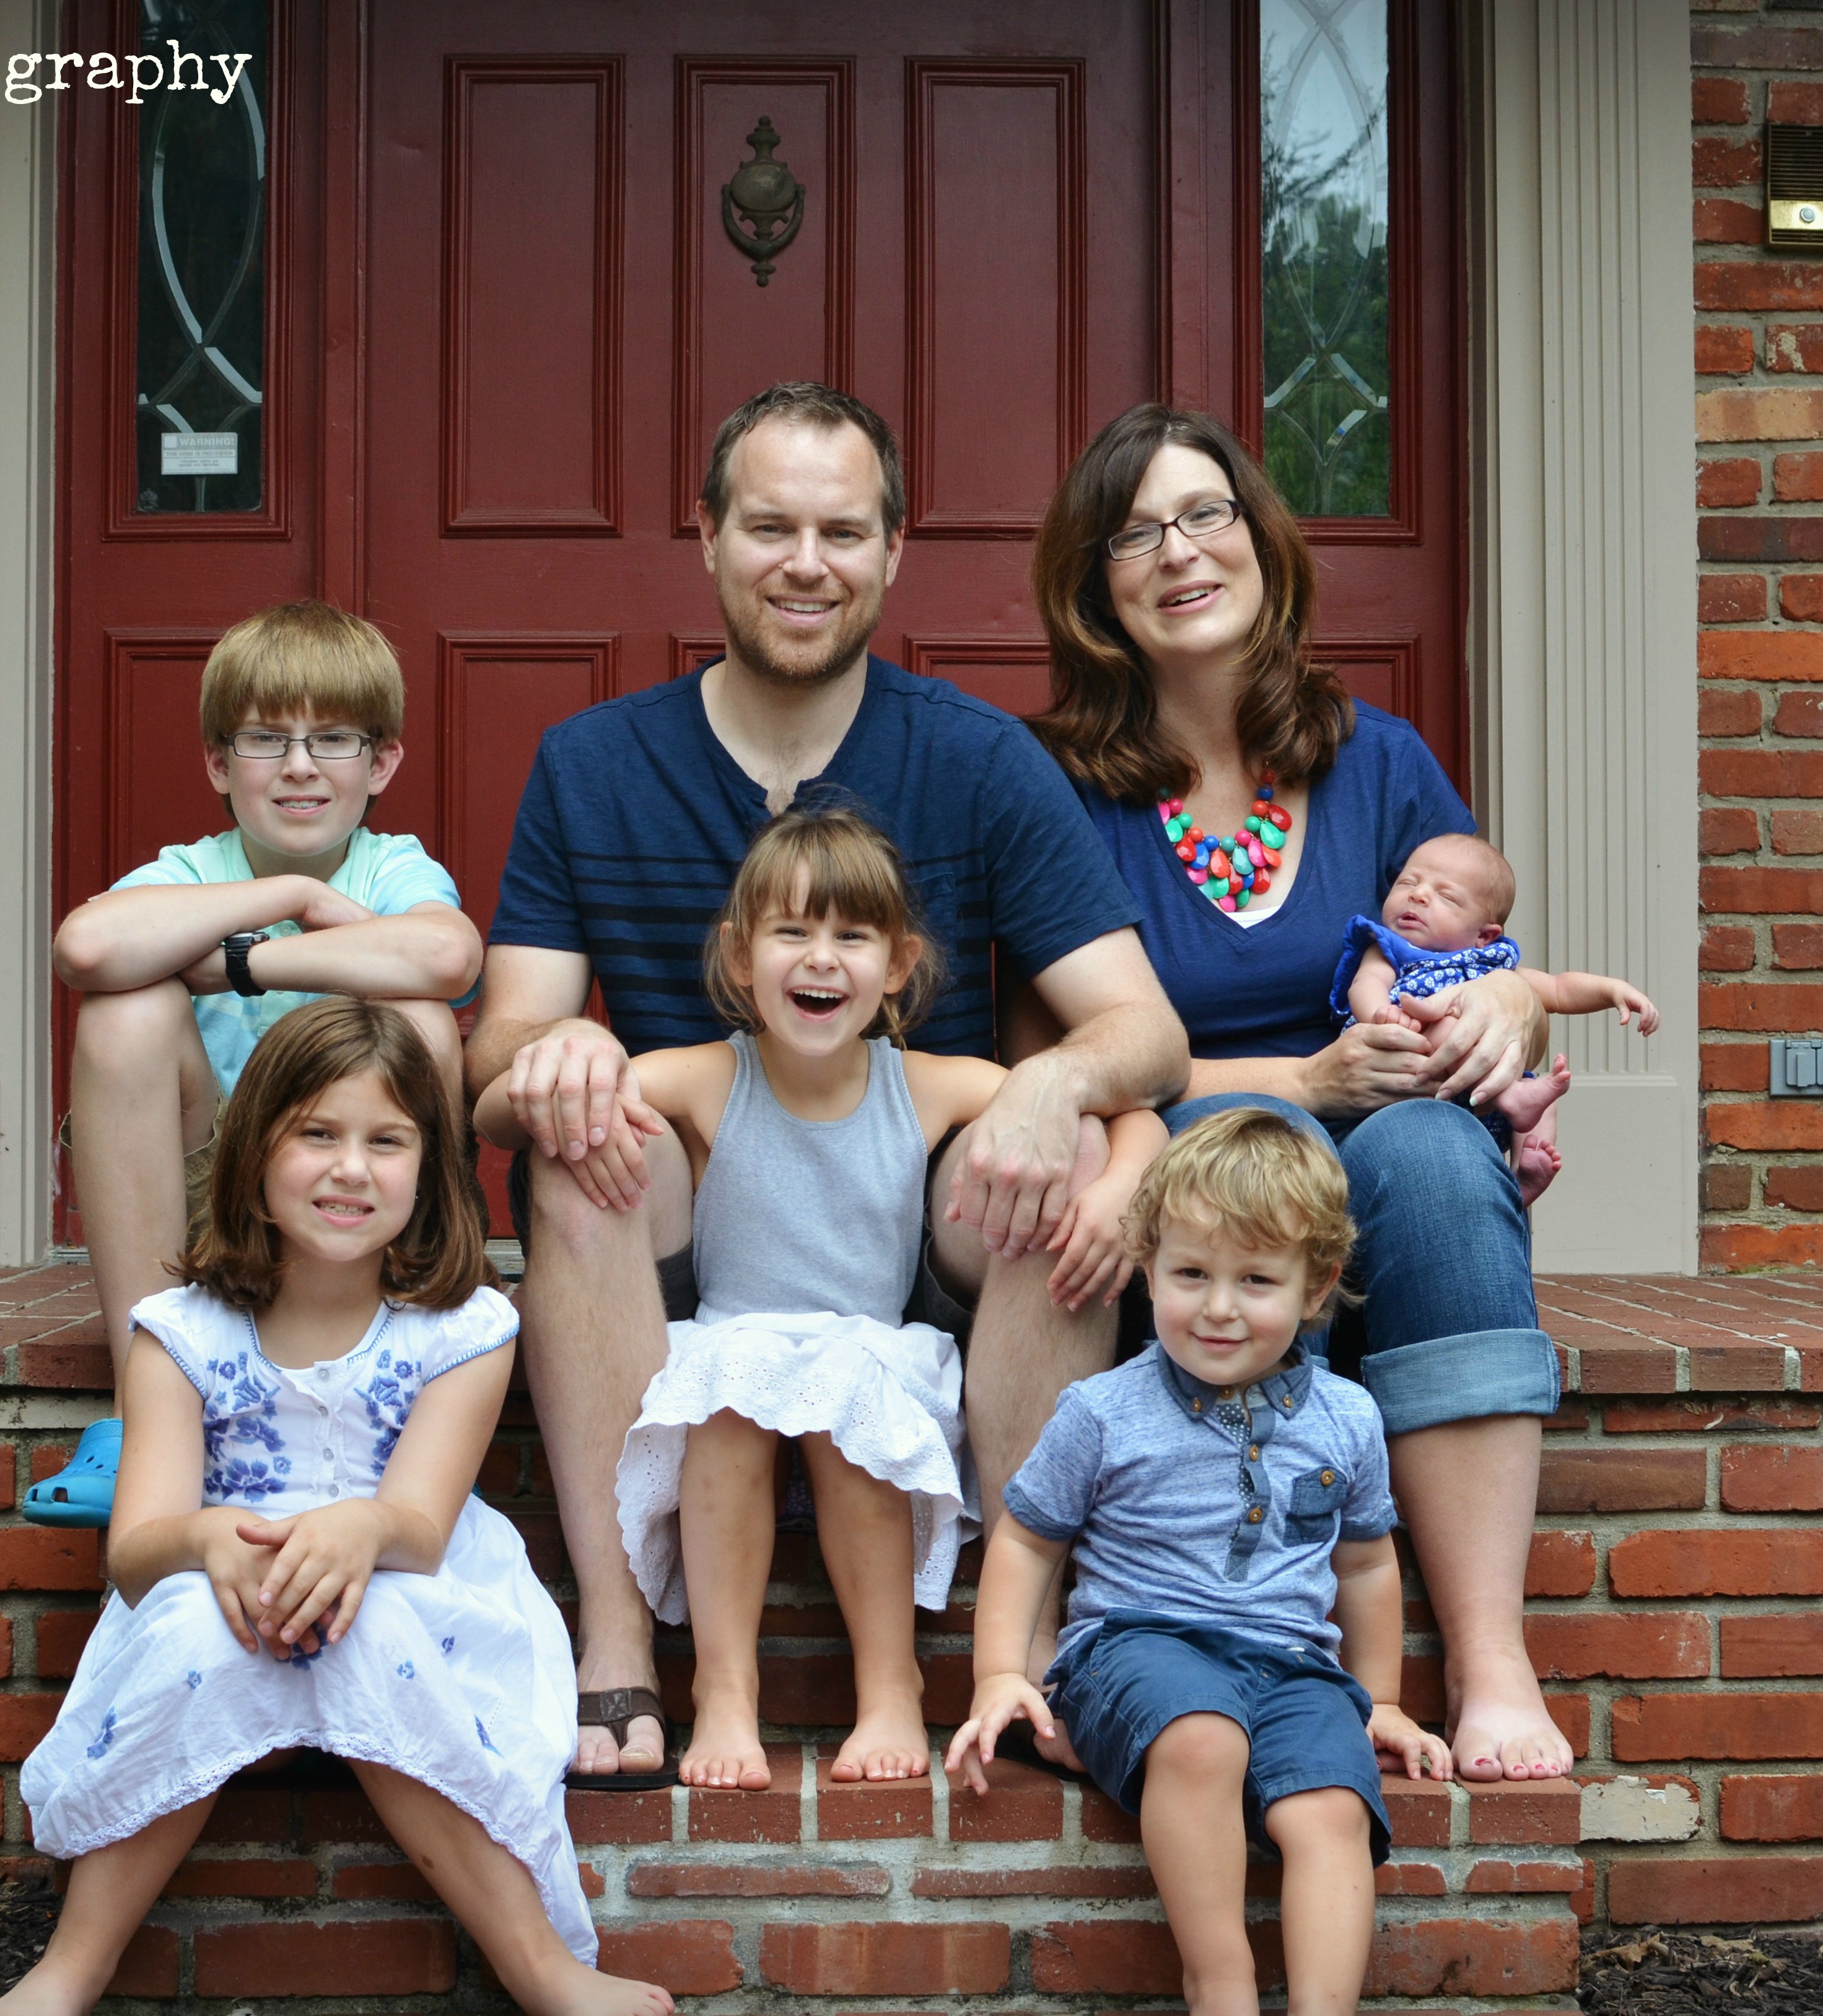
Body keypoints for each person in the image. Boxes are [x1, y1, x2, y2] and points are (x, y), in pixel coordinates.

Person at [465, 382, 1188, 1783]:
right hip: (697, 1225)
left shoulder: (977, 758)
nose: (806, 563)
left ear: (893, 550)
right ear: (707, 535)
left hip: (915, 1216)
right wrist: (555, 1055)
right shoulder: (591, 764)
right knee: (575, 1139)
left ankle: (1020, 1649)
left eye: (842, 532)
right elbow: (496, 1057)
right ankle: (616, 1637)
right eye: (770, 527)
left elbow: (1142, 1031)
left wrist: (1050, 1088)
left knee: (1064, 1151)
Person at [1024, 402, 1575, 1784]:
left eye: (1205, 514)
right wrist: (1302, 1078)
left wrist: (1506, 1005)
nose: (1178, 551)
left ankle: (1491, 1659)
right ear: (1095, 587)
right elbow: (1053, 1057)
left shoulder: (1376, 760)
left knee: (1434, 1157)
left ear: (1261, 541)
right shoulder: (1059, 790)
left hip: (1388, 1138)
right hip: (1185, 1135)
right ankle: (1252, 1631)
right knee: (1246, 1157)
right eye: (1134, 534)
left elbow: (1477, 953)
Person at [0, 1000, 668, 2016]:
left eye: (385, 1141)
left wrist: (360, 1528)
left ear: (428, 1167)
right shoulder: (178, 1332)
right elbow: (135, 1550)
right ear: (253, 1151)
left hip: (413, 1590)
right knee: (195, 1621)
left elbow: (419, 1528)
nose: (350, 1168)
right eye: (317, 1133)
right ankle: (70, 1970)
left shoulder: (463, 1329)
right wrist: (205, 1538)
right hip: (226, 1591)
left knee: (370, 1621)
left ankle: (536, 1963)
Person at [479, 808, 1162, 1791]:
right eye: (792, 931)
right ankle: (724, 1689)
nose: (821, 957)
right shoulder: (707, 1076)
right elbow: (499, 1113)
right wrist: (559, 1062)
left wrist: (1121, 1182)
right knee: (724, 1414)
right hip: (733, 1349)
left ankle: (889, 1688)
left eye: (852, 935)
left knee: (854, 1414)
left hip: (865, 1351)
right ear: (739, 954)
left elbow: (1125, 1113)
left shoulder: (925, 1084)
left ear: (899, 964)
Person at [947, 1109, 1449, 2016]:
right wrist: (997, 1675)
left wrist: (1377, 1697)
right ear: (1147, 1271)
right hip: (1138, 1647)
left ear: (1314, 1287)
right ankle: (1221, 1988)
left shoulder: (1347, 1418)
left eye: (1255, 1279)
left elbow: (1366, 1566)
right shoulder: (1102, 1410)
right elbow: (1025, 1539)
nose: (1218, 1307)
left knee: (1331, 1808)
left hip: (1294, 1666)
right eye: (1191, 1274)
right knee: (1201, 1737)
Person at [53, 600, 481, 1363]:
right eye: (266, 738)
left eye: (334, 738)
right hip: (212, 1192)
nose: (300, 765)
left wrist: (241, 964)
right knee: (125, 1011)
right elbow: (85, 947)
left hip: (359, 1175)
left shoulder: (390, 868)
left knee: (422, 1017)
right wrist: (295, 897)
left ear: (381, 763)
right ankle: (146, 1382)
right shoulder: (192, 872)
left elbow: (447, 957)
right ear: (220, 763)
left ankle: (406, 1343)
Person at [1330, 832, 1662, 1206]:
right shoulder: (1390, 948)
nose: (1418, 895)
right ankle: (1512, 1097)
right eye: (1408, 882)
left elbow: (1558, 989)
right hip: (1406, 1067)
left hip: (1481, 1098)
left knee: (1542, 1101)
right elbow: (1365, 984)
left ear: (1485, 936)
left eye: (1446, 896)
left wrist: (1611, 990)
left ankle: (1524, 1174)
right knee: (1452, 1030)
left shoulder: (1493, 965)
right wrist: (1382, 1014)